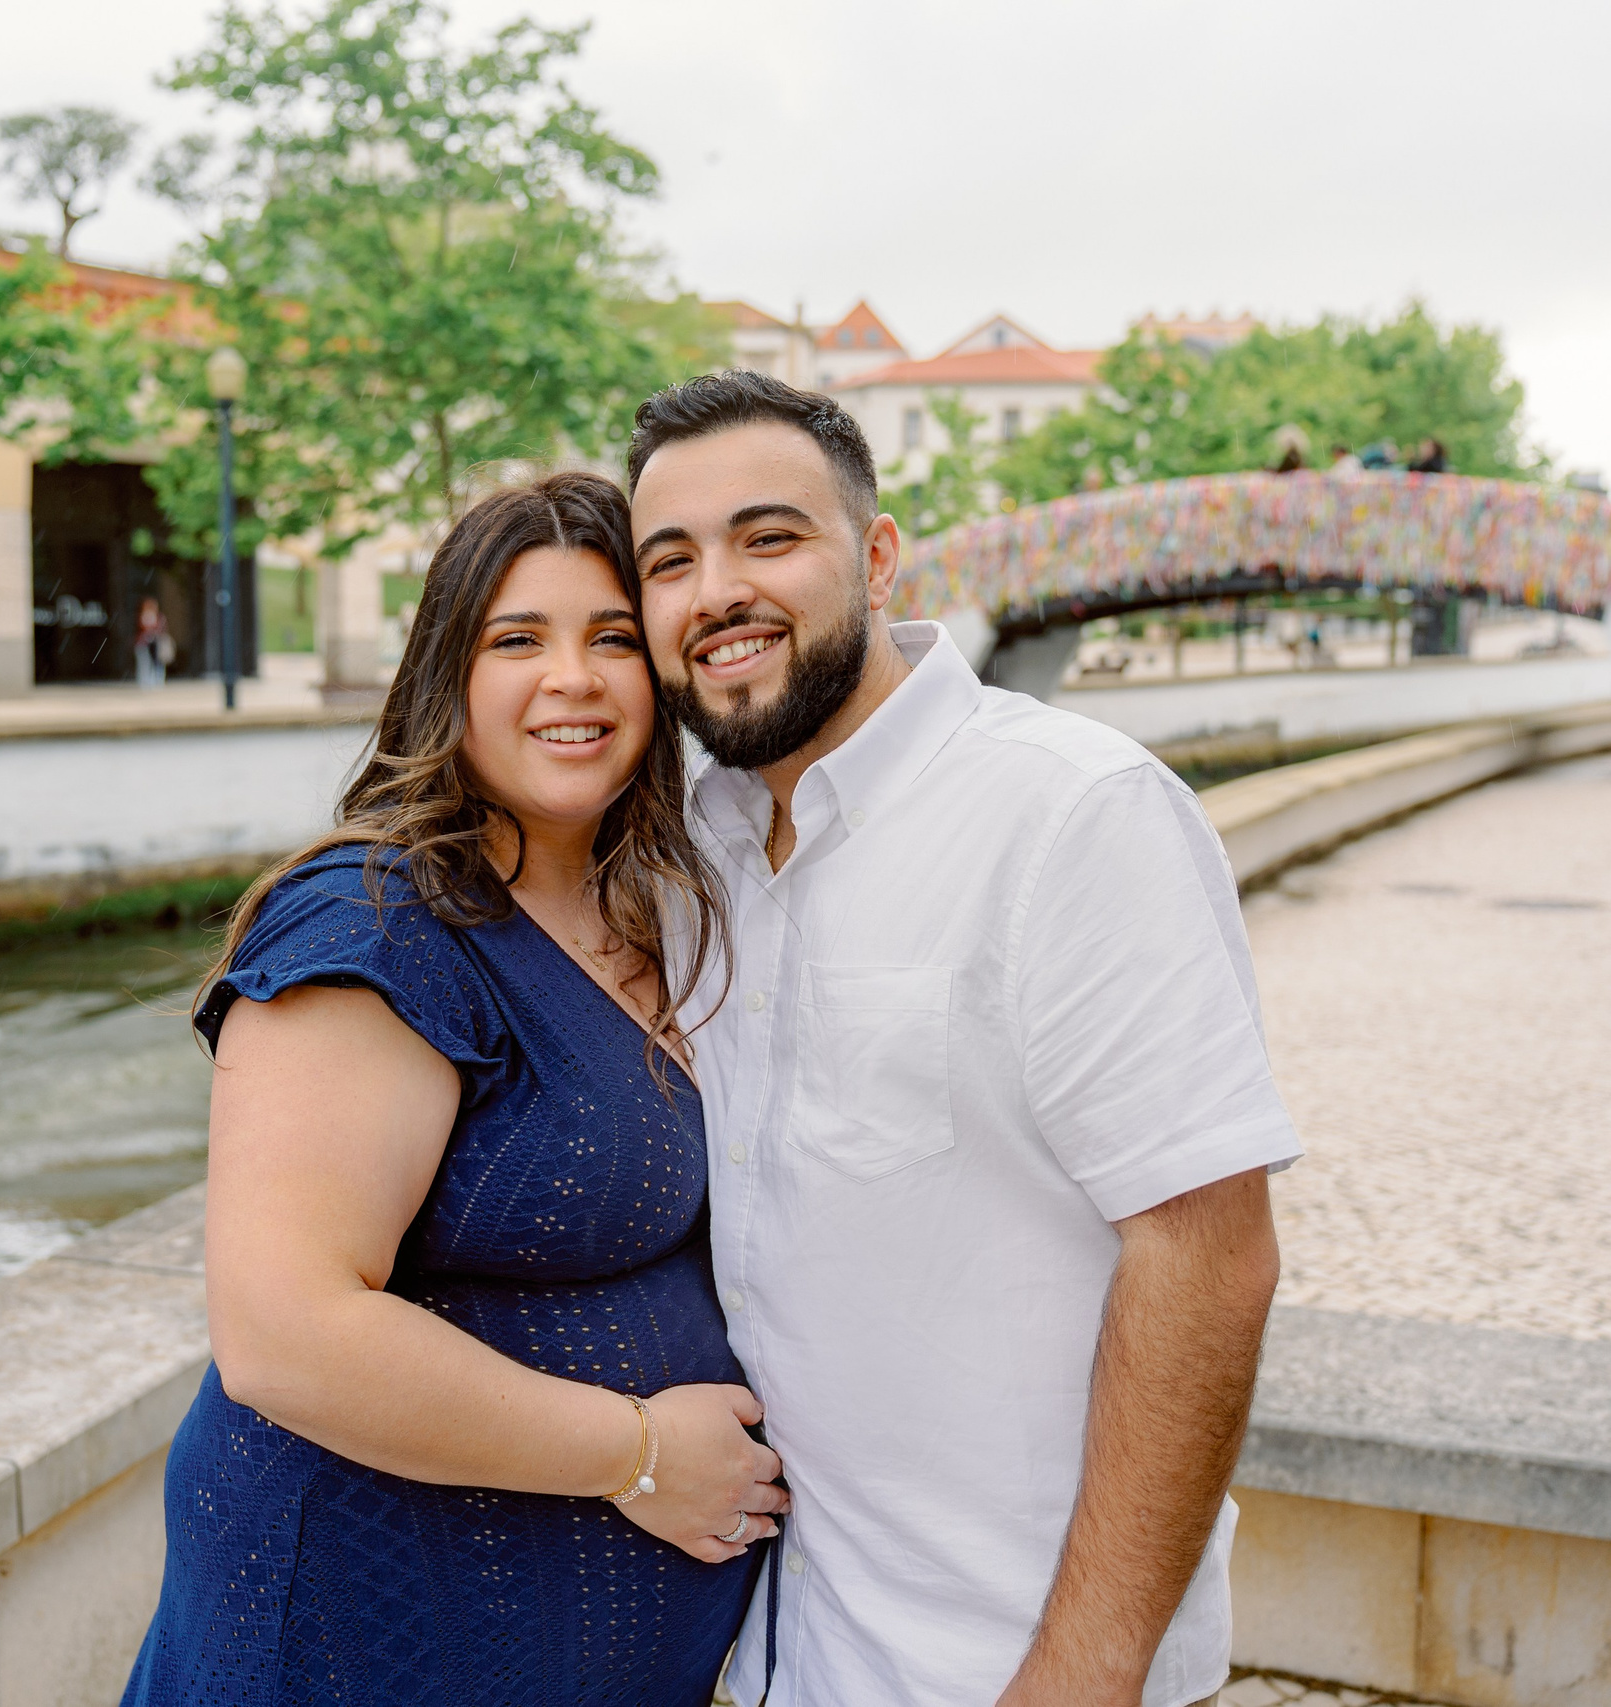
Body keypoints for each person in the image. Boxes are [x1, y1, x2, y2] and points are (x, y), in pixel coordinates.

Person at [625, 371, 1300, 1707]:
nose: (717, 591)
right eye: (671, 560)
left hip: (1007, 1663)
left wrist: (1083, 1669)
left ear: (877, 557)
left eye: (769, 538)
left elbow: (1209, 1258)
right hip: (781, 1652)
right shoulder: (686, 851)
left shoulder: (1073, 814)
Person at [121, 472, 783, 1707]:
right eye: (516, 639)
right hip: (357, 1645)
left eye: (613, 640)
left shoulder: (652, 909)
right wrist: (639, 1458)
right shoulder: (375, 924)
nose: (571, 679)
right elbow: (282, 1333)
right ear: (445, 675)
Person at [134, 595, 175, 688]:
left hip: (155, 644)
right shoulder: (144, 616)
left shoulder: (159, 617)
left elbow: (160, 629)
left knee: (157, 662)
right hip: (144, 645)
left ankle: (157, 679)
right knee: (144, 663)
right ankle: (145, 680)